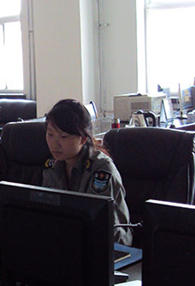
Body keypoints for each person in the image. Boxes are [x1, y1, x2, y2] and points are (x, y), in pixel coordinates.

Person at [42, 99, 132, 245]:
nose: (54, 143)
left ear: (83, 139)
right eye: (50, 134)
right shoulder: (54, 166)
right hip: (69, 240)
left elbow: (97, 222)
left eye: (63, 137)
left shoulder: (101, 169)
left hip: (110, 245)